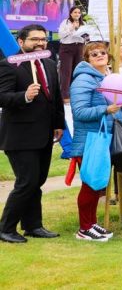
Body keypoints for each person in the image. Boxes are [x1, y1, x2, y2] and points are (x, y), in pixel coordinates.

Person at [0, 25, 64, 243]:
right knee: (26, 182)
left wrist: (59, 124)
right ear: (21, 42)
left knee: (37, 181)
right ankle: (6, 228)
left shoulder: (48, 63)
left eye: (43, 39)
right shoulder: (9, 65)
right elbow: (3, 97)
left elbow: (55, 97)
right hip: (20, 136)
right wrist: (24, 96)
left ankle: (32, 225)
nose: (40, 43)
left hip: (45, 134)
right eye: (34, 39)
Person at [69, 40, 122, 241]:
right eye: (94, 54)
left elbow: (113, 100)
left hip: (103, 138)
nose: (99, 55)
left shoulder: (106, 76)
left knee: (97, 185)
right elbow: (79, 111)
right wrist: (105, 109)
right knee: (90, 184)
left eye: (102, 52)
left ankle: (92, 223)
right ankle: (84, 229)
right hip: (89, 140)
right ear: (87, 59)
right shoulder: (84, 79)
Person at [57, 6, 86, 101]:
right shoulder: (65, 23)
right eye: (75, 12)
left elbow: (86, 37)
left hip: (79, 47)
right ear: (71, 13)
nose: (77, 14)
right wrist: (71, 28)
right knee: (66, 71)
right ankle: (65, 95)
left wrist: (83, 33)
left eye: (79, 12)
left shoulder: (83, 23)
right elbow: (60, 35)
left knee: (77, 71)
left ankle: (75, 93)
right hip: (67, 48)